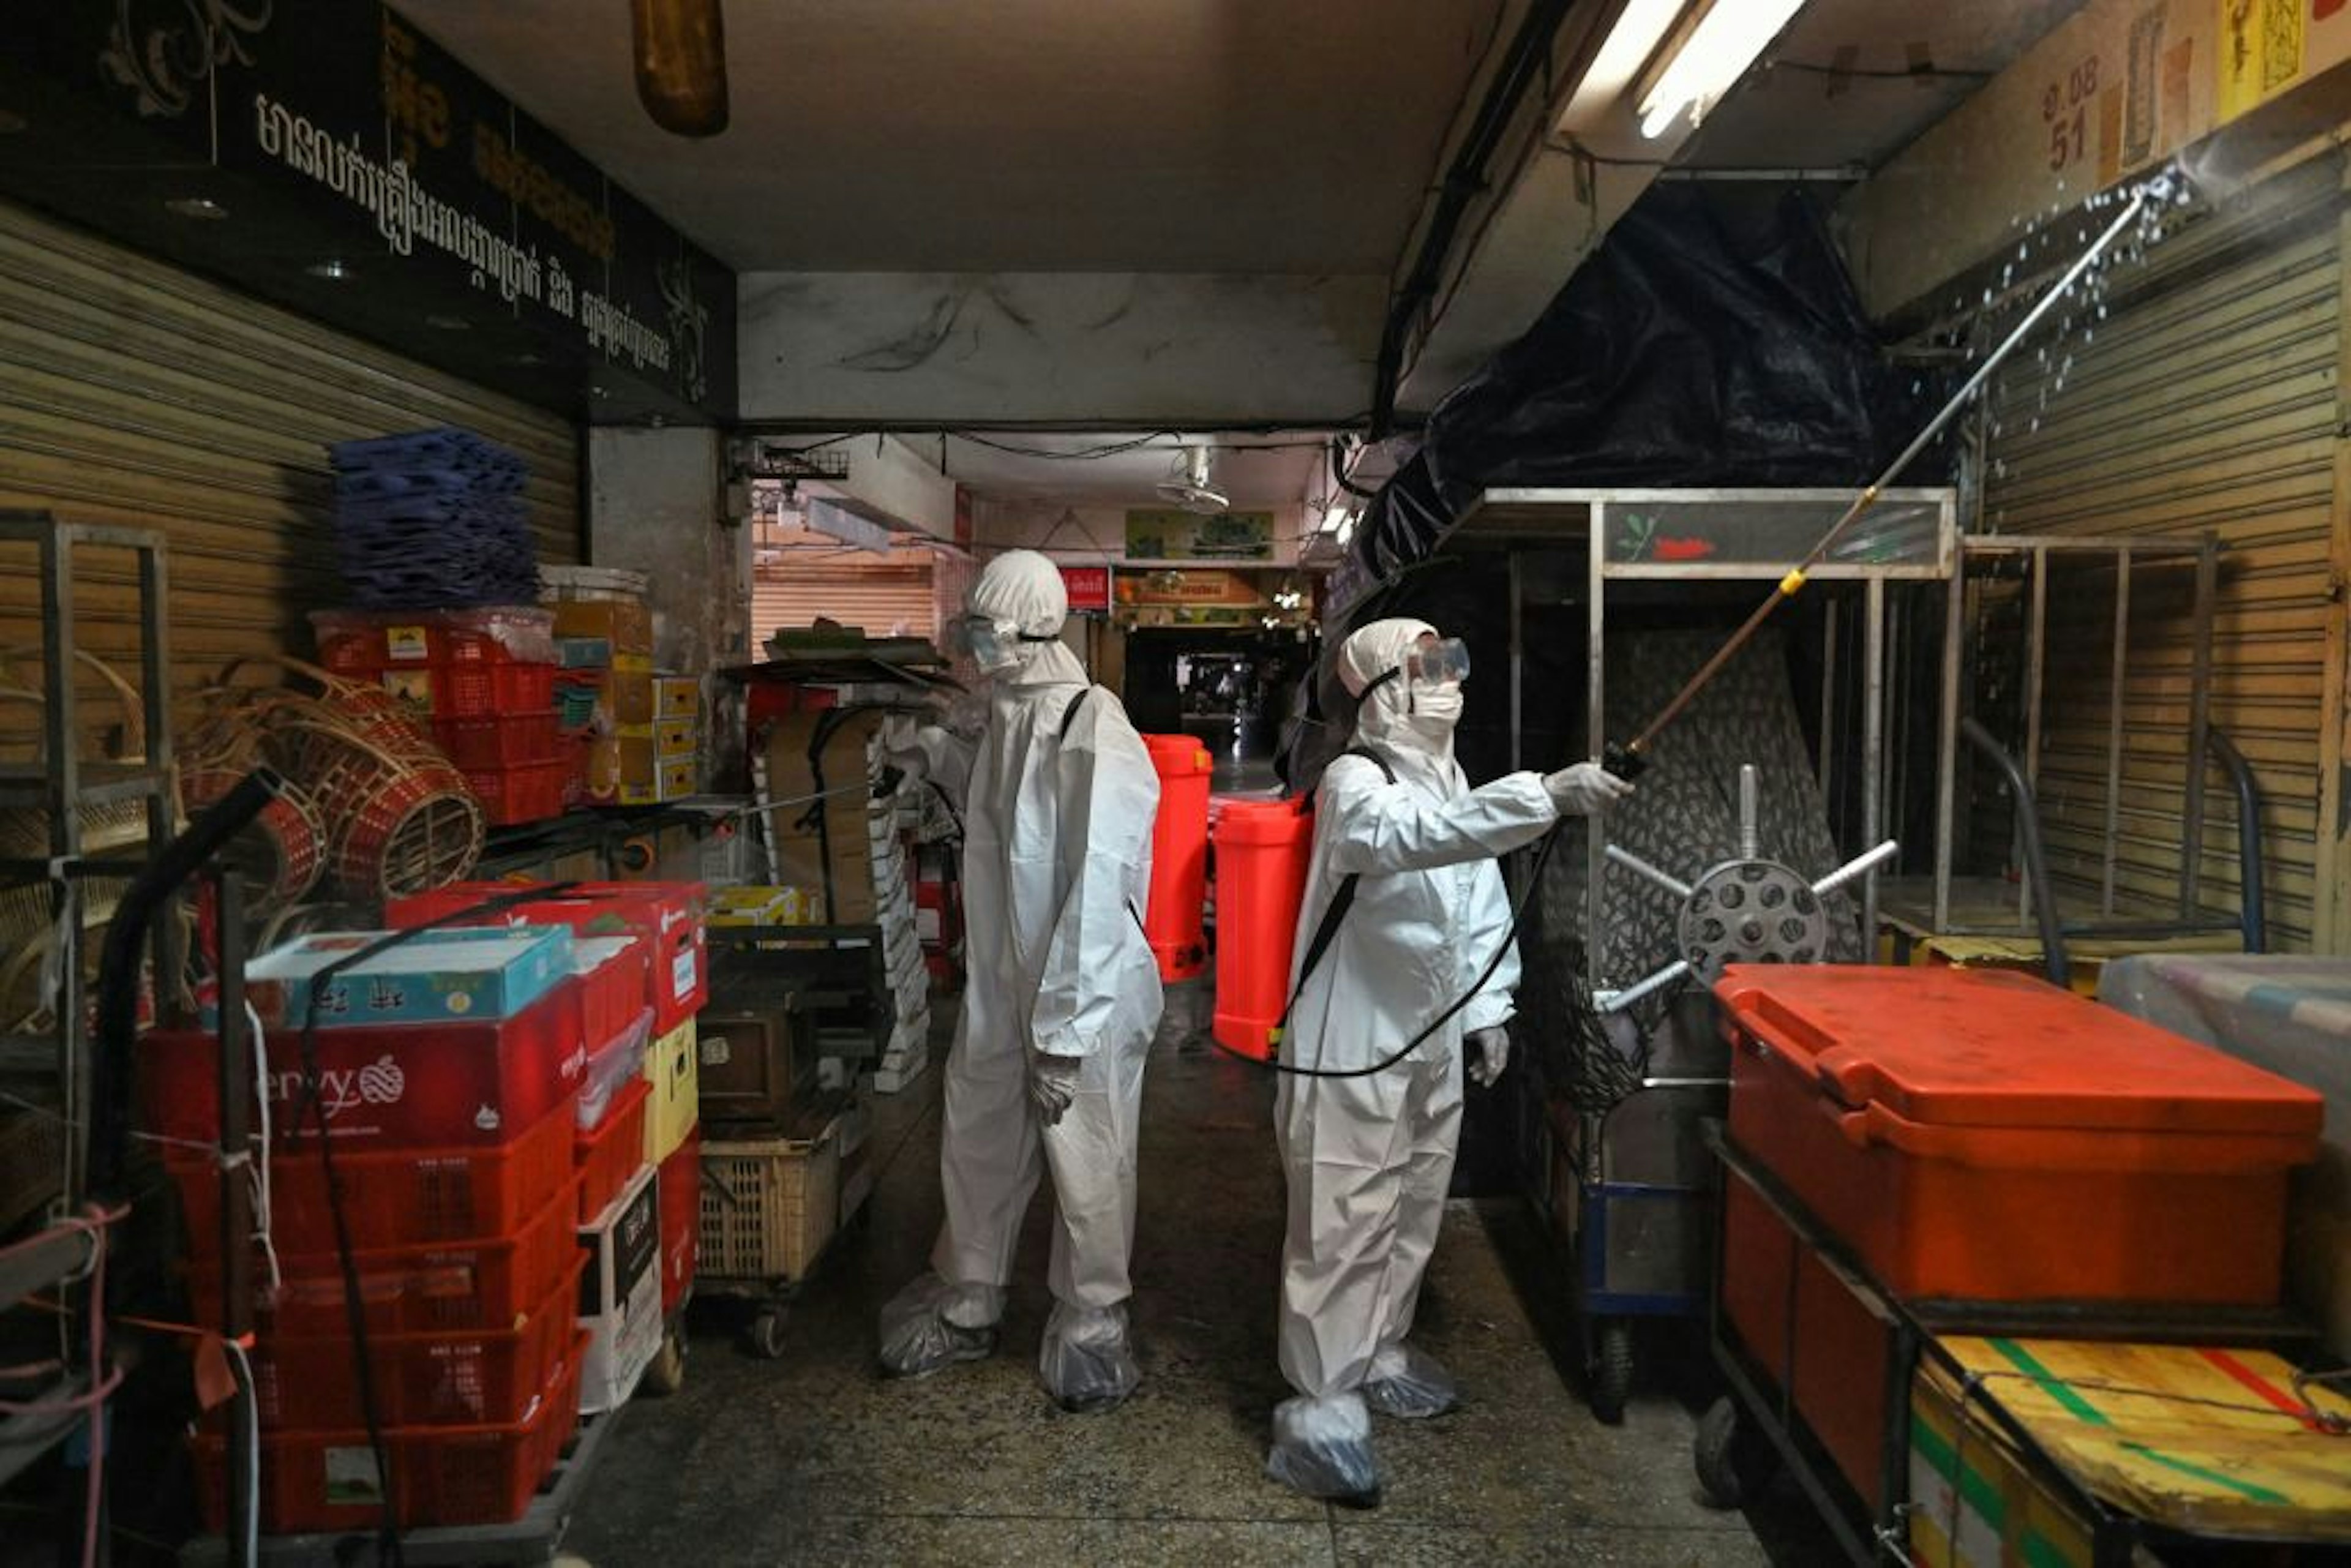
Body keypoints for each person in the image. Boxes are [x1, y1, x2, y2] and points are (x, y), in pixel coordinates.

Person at [1266, 617, 1632, 1504]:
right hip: (1351, 1042)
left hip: (1428, 1033)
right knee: (1343, 1220)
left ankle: (1381, 1347)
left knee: (1414, 1202)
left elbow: (1475, 899)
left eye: (1456, 661)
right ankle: (1321, 1404)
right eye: (1431, 667)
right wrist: (1543, 795)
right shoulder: (1356, 780)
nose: (1452, 680)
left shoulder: (1452, 775)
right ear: (1386, 690)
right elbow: (1412, 840)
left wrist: (1490, 1009)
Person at [877, 550, 1165, 1412]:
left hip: (1086, 984)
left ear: (1026, 629)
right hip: (1005, 975)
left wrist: (1069, 1034)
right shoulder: (1007, 717)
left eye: (980, 626)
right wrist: (929, 752)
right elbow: (1000, 814)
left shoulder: (1092, 724)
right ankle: (971, 1293)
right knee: (980, 1120)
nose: (968, 641)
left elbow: (1100, 882)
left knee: (1087, 1150)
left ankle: (1093, 1316)